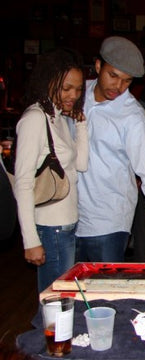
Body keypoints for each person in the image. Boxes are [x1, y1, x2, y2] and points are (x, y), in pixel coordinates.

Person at [75, 36, 145, 263]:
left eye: (127, 81)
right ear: (98, 66)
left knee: (104, 294)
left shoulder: (132, 116)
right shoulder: (75, 96)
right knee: (66, 294)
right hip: (68, 218)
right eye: (113, 76)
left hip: (108, 222)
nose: (118, 87)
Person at [14, 48, 88, 292]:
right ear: (49, 80)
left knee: (61, 301)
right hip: (50, 227)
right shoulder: (35, 118)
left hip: (67, 224)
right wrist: (31, 241)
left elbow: (80, 165)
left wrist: (80, 124)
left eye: (78, 89)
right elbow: (23, 183)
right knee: (56, 303)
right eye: (66, 88)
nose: (73, 95)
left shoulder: (56, 116)